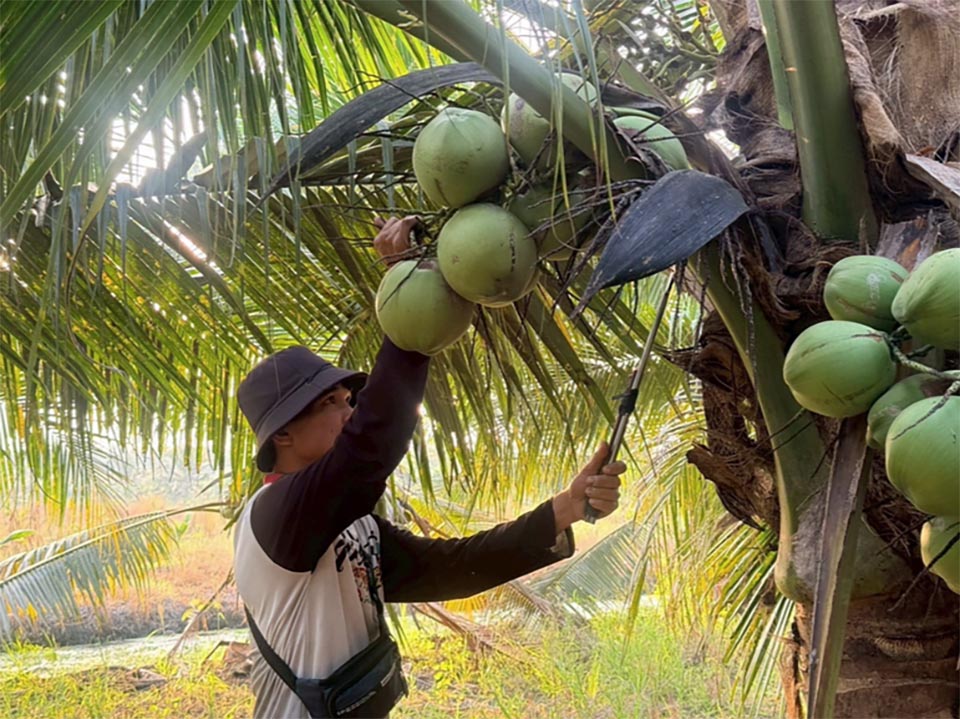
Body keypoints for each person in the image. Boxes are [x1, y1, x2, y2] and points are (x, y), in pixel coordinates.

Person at [233, 216, 626, 719]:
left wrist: (564, 509)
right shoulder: (276, 516)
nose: (349, 409)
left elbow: (447, 570)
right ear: (282, 434)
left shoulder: (353, 524)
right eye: (331, 403)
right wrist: (410, 316)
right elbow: (367, 449)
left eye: (349, 397)